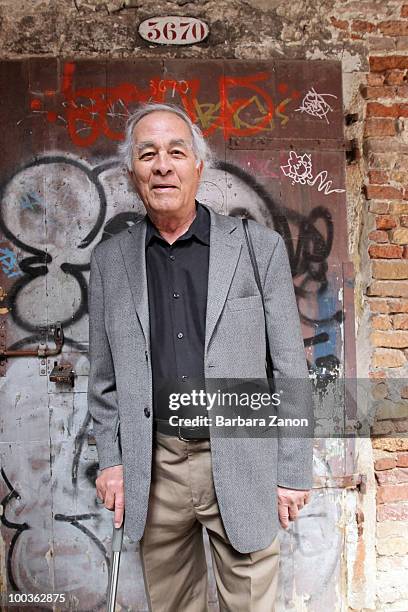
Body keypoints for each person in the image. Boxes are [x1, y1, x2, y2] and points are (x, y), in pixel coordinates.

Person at [87, 102, 314, 611]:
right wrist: (112, 461)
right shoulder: (109, 261)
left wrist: (293, 469)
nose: (162, 165)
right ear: (132, 173)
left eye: (176, 152)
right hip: (155, 466)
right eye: (148, 154)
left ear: (198, 167)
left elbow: (289, 370)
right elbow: (103, 380)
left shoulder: (259, 248)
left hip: (241, 459)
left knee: (251, 603)